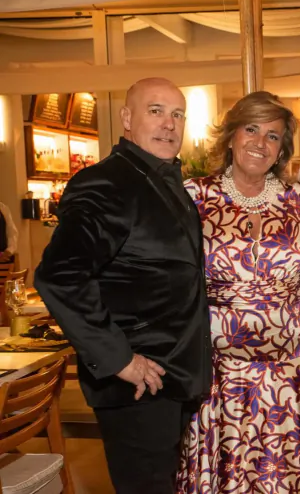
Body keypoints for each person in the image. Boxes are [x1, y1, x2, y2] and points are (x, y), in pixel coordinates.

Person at [35, 77, 212, 494]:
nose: (169, 124)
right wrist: (120, 360)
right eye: (156, 111)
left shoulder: (157, 177)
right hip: (137, 384)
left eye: (177, 114)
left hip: (168, 381)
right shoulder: (108, 182)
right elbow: (59, 275)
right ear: (127, 119)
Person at [175, 91, 300, 493]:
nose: (260, 143)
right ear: (230, 135)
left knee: (285, 474)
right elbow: (175, 278)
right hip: (219, 372)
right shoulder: (194, 197)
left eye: (273, 136)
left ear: (282, 149)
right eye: (251, 130)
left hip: (291, 369)